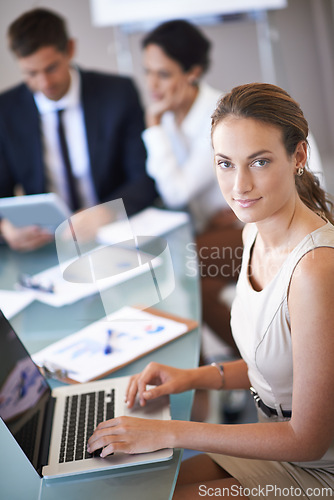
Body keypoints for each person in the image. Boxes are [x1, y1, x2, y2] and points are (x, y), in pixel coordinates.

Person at [87, 83, 334, 498]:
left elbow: (308, 439)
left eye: (258, 161)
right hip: (274, 443)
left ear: (299, 157)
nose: (239, 185)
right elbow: (283, 369)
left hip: (316, 468)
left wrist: (169, 433)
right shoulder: (253, 231)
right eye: (225, 163)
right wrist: (193, 377)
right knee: (128, 486)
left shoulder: (316, 270)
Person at [140, 19, 326, 359]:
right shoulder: (171, 116)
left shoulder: (220, 119)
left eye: (163, 74)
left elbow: (177, 191)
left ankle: (256, 363)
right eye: (148, 72)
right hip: (227, 224)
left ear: (192, 71)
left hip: (253, 217)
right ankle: (252, 362)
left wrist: (152, 126)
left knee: (179, 264)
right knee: (202, 283)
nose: (152, 84)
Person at [0, 8, 156, 251]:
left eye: (51, 68)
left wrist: (107, 211)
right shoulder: (5, 110)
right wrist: (5, 228)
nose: (44, 83)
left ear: (70, 49)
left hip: (115, 235)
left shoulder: (118, 94)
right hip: (46, 245)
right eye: (31, 73)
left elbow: (145, 179)